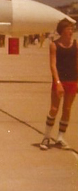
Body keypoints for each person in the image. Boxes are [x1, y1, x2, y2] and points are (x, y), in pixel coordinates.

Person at [40, 18, 77, 150]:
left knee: (67, 110)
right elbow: (53, 65)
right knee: (54, 109)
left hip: (73, 81)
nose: (71, 31)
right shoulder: (54, 45)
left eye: (72, 29)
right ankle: (46, 137)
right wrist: (57, 82)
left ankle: (60, 138)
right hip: (60, 81)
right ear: (62, 31)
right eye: (68, 29)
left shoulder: (75, 44)